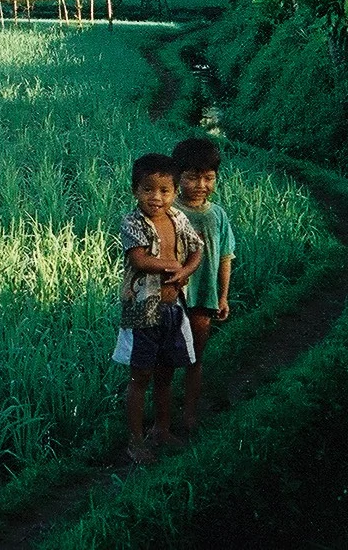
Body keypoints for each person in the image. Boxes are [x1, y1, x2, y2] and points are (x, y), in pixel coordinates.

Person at [115, 152, 203, 463]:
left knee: (166, 374)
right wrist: (170, 263)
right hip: (142, 312)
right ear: (134, 190)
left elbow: (197, 250)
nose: (156, 197)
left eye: (164, 191)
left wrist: (185, 271)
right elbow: (139, 260)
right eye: (148, 189)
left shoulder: (179, 219)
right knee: (140, 376)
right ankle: (135, 441)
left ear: (175, 192)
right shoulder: (132, 222)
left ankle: (161, 429)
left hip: (173, 310)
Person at [173, 135, 237, 432]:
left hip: (204, 296)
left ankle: (189, 413)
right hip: (170, 297)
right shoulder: (169, 211)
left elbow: (225, 257)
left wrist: (222, 296)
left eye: (208, 178)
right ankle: (163, 417)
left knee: (195, 357)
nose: (201, 185)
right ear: (178, 177)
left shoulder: (218, 215)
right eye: (192, 178)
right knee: (166, 357)